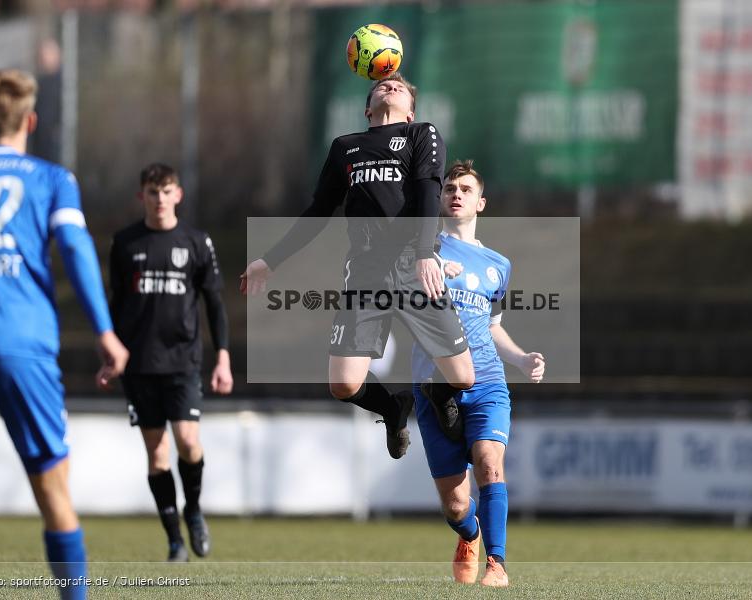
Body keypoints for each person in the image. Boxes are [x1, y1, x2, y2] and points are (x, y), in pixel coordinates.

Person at [241, 73, 475, 458]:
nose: (392, 86)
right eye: (383, 85)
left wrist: (423, 253)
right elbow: (318, 212)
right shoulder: (345, 147)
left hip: (414, 265)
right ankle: (392, 407)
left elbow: (428, 195)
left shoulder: (422, 135)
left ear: (412, 111)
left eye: (401, 88)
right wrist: (270, 260)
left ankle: (438, 392)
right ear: (368, 108)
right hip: (366, 272)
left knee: (463, 377)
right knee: (344, 385)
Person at [0, 69, 129, 600]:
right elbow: (77, 252)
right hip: (25, 347)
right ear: (30, 120)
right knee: (54, 491)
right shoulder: (53, 179)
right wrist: (105, 331)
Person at [411, 160, 545, 588]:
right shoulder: (420, 252)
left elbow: (492, 325)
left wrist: (521, 359)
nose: (456, 193)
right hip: (434, 387)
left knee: (490, 464)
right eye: (449, 187)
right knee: (455, 505)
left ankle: (498, 563)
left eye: (465, 189)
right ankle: (469, 535)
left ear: (480, 202)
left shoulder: (498, 265)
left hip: (487, 381)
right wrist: (426, 273)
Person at [109, 163, 233, 562]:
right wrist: (109, 353)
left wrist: (223, 359)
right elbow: (116, 306)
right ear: (140, 196)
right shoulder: (125, 243)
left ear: (177, 195)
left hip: (183, 361)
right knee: (157, 455)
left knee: (188, 442)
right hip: (139, 364)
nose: (159, 199)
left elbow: (214, 303)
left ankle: (193, 509)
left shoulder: (196, 242)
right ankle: (174, 541)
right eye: (151, 191)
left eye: (166, 191)